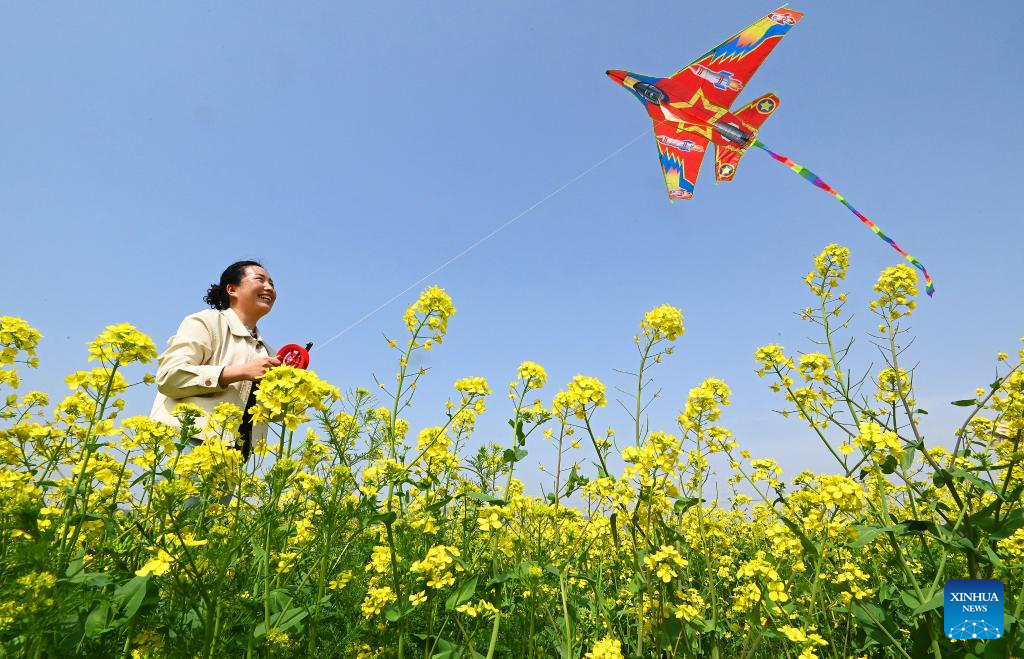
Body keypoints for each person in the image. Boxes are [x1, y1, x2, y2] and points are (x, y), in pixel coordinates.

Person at [150, 261, 280, 459]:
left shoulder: (268, 352)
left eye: (272, 283)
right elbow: (169, 376)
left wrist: (292, 389)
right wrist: (242, 371)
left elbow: (272, 413)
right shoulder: (207, 322)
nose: (269, 287)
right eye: (260, 279)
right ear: (232, 289)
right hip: (187, 441)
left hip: (235, 455)